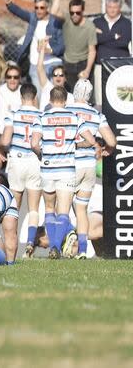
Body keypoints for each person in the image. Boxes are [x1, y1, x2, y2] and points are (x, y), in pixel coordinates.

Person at [30, 86, 100, 259]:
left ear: (50, 100)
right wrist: (75, 145)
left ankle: (54, 247)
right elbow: (91, 140)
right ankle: (55, 246)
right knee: (63, 212)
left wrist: (41, 154)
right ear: (66, 101)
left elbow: (33, 144)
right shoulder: (74, 117)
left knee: (48, 208)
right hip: (67, 170)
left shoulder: (42, 117)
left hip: (48, 169)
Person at [66, 80, 116, 259]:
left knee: (61, 209)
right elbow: (111, 141)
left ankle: (67, 237)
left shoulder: (66, 110)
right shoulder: (96, 114)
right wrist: (106, 150)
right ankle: (82, 250)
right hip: (89, 167)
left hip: (68, 165)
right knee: (81, 211)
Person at [0, 83, 43, 257]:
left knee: (13, 207)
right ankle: (30, 243)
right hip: (35, 161)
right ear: (35, 96)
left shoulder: (13, 114)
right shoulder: (42, 114)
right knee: (33, 209)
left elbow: (5, 140)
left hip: (17, 160)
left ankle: (10, 245)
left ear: (21, 96)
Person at [6, 0, 65, 87]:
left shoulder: (55, 22)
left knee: (54, 95)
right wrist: (9, 4)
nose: (39, 10)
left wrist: (49, 51)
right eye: (36, 7)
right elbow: (20, 12)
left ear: (47, 8)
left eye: (42, 8)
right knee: (39, 96)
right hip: (36, 64)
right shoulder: (33, 18)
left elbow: (61, 46)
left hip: (53, 63)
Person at [50, 0, 97, 91]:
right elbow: (53, 11)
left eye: (78, 13)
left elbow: (92, 51)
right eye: (72, 13)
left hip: (83, 63)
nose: (74, 15)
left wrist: (87, 71)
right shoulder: (67, 19)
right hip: (68, 64)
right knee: (68, 96)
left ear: (83, 11)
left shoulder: (89, 26)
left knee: (84, 96)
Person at [93, 0, 132, 105]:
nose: (112, 10)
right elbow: (95, 40)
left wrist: (103, 36)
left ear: (119, 8)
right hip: (100, 64)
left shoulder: (126, 23)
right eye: (110, 7)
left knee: (119, 98)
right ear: (106, 7)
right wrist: (113, 36)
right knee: (100, 98)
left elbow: (124, 42)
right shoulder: (97, 22)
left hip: (120, 66)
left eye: (115, 7)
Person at [36, 39, 75, 110]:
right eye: (55, 75)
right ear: (52, 77)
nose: (58, 77)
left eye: (61, 75)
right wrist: (42, 49)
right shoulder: (47, 87)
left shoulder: (70, 97)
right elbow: (39, 68)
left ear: (65, 78)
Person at [0, 64, 23, 134]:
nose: (12, 80)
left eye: (15, 77)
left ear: (20, 78)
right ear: (5, 78)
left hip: (16, 134)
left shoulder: (24, 91)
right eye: (9, 77)